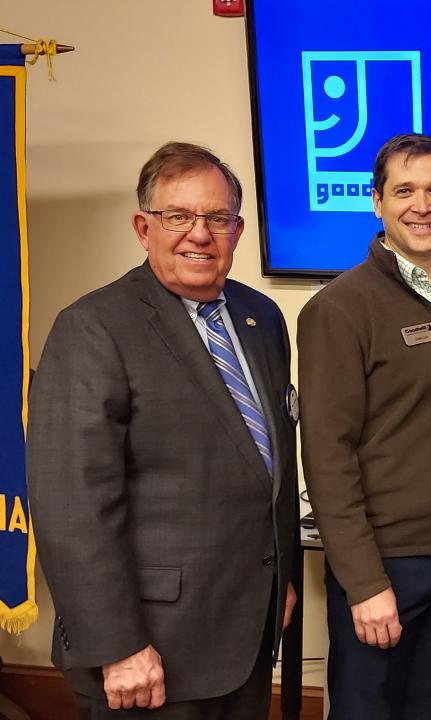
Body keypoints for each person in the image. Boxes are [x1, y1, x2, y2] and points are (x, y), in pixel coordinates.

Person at [27, 142, 299, 719]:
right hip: (146, 651)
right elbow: (72, 507)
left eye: (216, 218)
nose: (199, 234)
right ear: (143, 227)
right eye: (178, 216)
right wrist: (118, 645)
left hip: (244, 633)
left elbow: (267, 465)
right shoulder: (94, 327)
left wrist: (282, 579)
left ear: (238, 230)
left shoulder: (261, 319)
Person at [297, 133, 431, 719]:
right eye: (405, 191)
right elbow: (327, 456)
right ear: (377, 202)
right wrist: (364, 583)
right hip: (387, 566)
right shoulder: (338, 309)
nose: (422, 205)